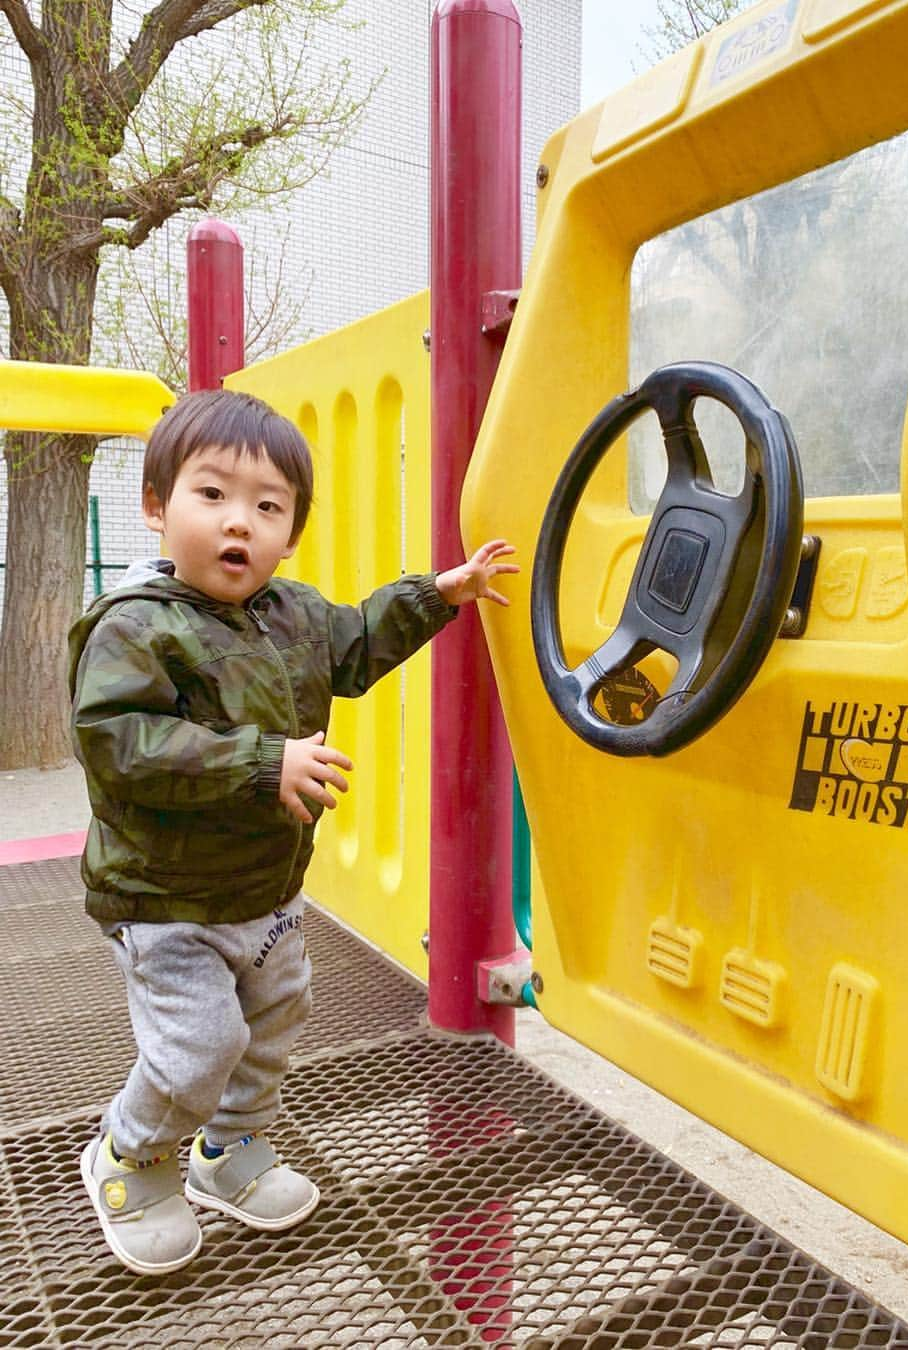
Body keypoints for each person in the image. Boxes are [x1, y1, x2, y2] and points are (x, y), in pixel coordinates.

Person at [68, 389, 518, 1276]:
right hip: (165, 899)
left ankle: (226, 1154)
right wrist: (261, 763)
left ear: (291, 532)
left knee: (274, 1021)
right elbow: (119, 744)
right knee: (200, 1046)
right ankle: (131, 1159)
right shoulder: (137, 629)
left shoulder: (292, 613)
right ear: (157, 507)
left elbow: (356, 641)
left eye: (267, 507)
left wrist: (439, 594)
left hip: (265, 891)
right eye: (212, 497)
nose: (240, 523)